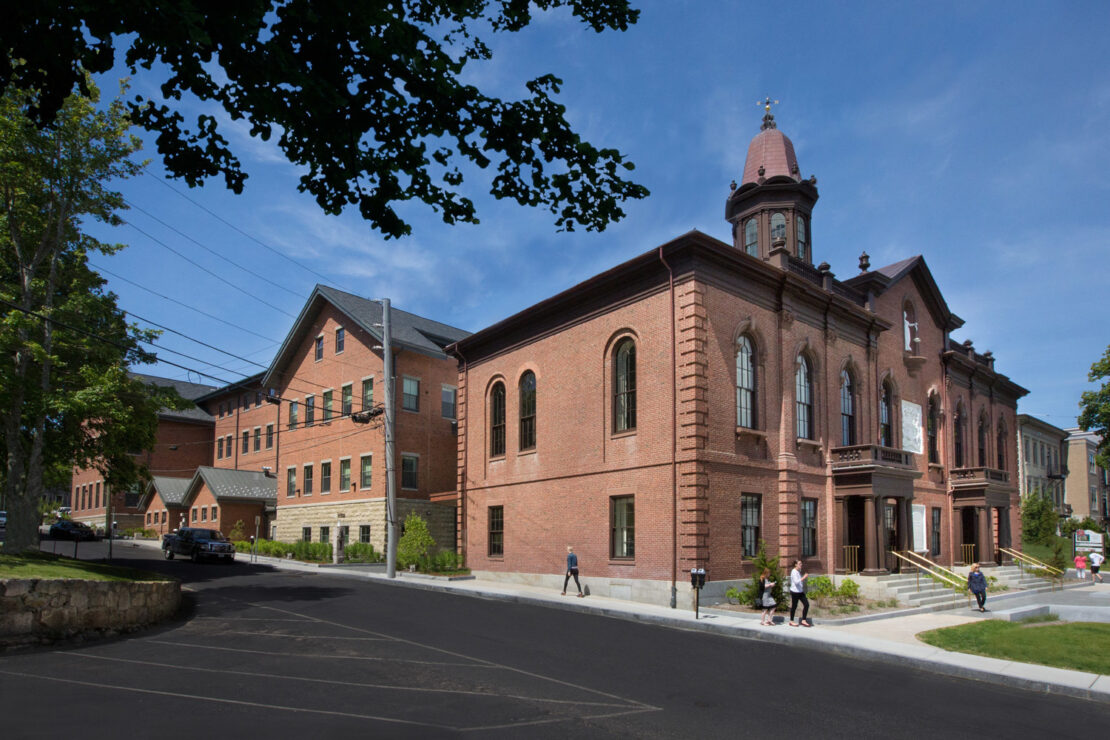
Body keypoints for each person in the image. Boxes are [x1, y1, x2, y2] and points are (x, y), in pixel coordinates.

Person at [788, 559, 812, 627]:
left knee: (806, 604)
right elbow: (796, 582)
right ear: (795, 564)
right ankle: (791, 621)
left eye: (801, 563)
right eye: (799, 564)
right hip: (795, 592)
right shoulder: (794, 571)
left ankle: (803, 620)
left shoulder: (798, 571)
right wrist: (804, 577)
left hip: (800, 591)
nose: (801, 565)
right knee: (794, 606)